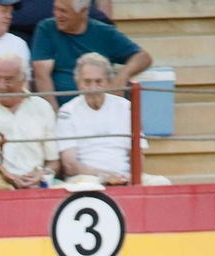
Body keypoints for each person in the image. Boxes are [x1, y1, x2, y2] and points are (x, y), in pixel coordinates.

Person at [56, 51, 169, 184]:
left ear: (109, 82)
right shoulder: (67, 112)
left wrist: (129, 176)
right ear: (77, 83)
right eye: (87, 82)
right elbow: (70, 166)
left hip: (124, 175)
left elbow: (137, 155)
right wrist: (107, 176)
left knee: (161, 182)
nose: (93, 88)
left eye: (99, 82)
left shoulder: (125, 107)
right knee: (88, 185)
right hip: (87, 178)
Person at [31, 0, 149, 108]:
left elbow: (143, 57)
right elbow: (42, 76)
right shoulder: (46, 29)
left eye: (63, 11)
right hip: (64, 109)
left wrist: (122, 77)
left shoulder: (103, 32)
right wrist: (54, 115)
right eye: (55, 9)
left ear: (83, 11)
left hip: (100, 108)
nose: (57, 14)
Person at [0, 53, 57, 187]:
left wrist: (43, 175)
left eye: (8, 80)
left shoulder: (42, 107)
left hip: (36, 186)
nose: (1, 85)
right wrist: (4, 174)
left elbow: (54, 161)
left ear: (23, 79)